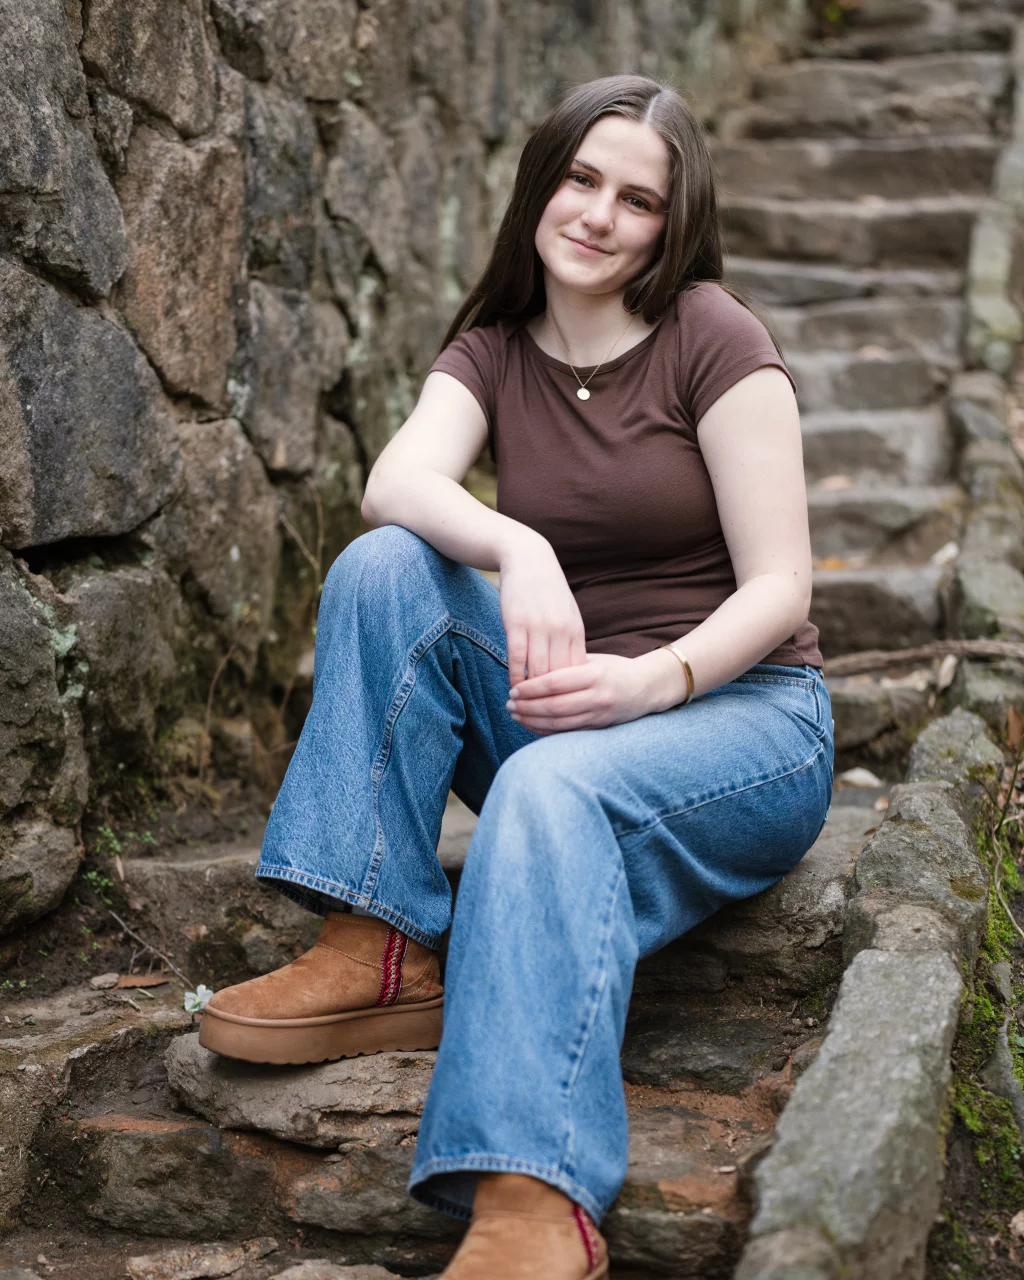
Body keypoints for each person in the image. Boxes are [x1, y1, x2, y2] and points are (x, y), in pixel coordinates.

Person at [198, 73, 833, 1280]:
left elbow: (780, 588)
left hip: (742, 718)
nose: (598, 215)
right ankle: (373, 934)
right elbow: (398, 484)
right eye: (581, 179)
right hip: (567, 699)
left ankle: (532, 1197)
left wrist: (654, 680)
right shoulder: (491, 348)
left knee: (546, 797)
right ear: (542, 182)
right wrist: (516, 541)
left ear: (673, 221)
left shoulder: (714, 336)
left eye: (637, 199)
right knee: (389, 564)